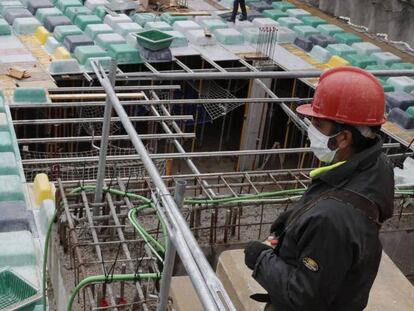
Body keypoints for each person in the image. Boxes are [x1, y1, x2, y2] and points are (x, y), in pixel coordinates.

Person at [244, 67, 395, 311]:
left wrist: (261, 259)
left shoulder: (332, 218)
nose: (310, 130)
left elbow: (304, 298)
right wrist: (292, 227)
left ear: (344, 138)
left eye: (317, 123)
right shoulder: (375, 164)